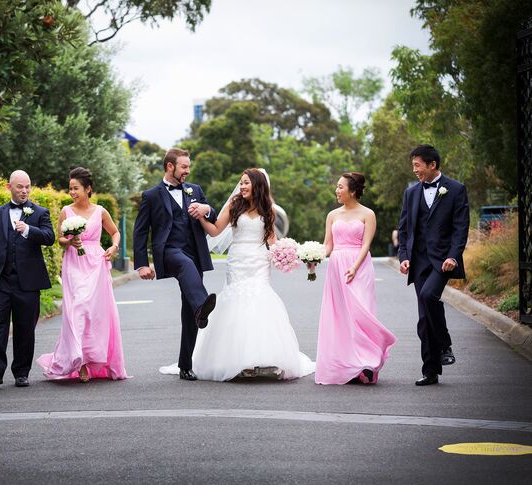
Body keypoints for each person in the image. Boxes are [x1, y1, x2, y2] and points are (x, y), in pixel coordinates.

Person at [191, 168, 315, 381]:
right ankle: (238, 360)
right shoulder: (234, 205)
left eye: (246, 182)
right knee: (237, 303)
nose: (242, 186)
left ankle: (263, 358)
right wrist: (202, 217)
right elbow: (215, 231)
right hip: (237, 259)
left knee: (259, 302)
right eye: (241, 183)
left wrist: (296, 255)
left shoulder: (269, 210)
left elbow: (273, 241)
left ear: (257, 185)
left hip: (259, 261)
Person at [133, 148, 218, 381]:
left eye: (188, 166)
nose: (187, 171)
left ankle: (185, 365)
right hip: (170, 251)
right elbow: (140, 231)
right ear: (170, 167)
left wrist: (206, 209)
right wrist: (142, 264)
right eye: (183, 166)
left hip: (195, 251)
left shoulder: (195, 190)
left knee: (189, 310)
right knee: (185, 266)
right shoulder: (151, 195)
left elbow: (215, 217)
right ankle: (202, 304)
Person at [37, 167, 128, 382]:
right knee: (78, 306)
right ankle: (81, 361)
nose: (72, 192)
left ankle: (90, 357)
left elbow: (115, 232)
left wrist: (114, 248)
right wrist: (69, 241)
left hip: (96, 263)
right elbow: (59, 239)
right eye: (70, 189)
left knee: (93, 313)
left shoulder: (100, 211)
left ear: (88, 189)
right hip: (74, 263)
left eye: (76, 188)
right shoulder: (66, 211)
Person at [0, 170, 55, 387]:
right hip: (2, 281)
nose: (24, 191)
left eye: (27, 186)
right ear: (9, 187)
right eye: (19, 187)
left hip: (28, 283)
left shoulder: (39, 212)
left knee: (25, 329)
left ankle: (21, 372)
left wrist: (28, 230)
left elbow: (49, 238)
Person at [313, 172, 397, 385]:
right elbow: (328, 245)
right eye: (337, 186)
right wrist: (313, 258)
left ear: (352, 191)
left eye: (341, 187)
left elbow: (366, 244)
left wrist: (354, 267)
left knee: (361, 314)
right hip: (336, 267)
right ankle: (348, 364)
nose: (337, 190)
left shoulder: (368, 214)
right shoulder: (332, 215)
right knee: (341, 317)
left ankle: (368, 363)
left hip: (359, 267)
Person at [398, 145, 469, 386]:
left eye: (417, 165)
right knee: (424, 317)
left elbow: (461, 228)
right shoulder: (411, 193)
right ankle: (431, 370)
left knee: (429, 296)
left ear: (432, 165)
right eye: (413, 166)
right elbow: (405, 228)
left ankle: (445, 344)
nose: (414, 170)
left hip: (442, 261)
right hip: (418, 261)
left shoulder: (456, 189)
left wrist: (453, 256)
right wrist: (403, 256)